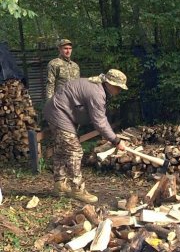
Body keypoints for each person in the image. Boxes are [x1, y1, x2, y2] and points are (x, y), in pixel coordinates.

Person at [43, 69, 128, 203]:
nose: (119, 91)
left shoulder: (97, 86)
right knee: (75, 151)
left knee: (60, 150)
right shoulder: (97, 93)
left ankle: (59, 185)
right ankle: (77, 189)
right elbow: (100, 122)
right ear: (110, 84)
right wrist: (116, 140)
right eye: (118, 88)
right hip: (59, 112)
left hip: (56, 110)